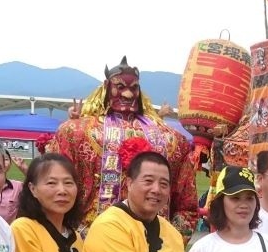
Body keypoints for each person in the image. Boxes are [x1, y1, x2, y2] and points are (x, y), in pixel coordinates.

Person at [50, 57, 199, 236]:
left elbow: (187, 207)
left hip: (153, 249)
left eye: (133, 88)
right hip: (89, 247)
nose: (127, 95)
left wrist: (167, 245)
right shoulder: (75, 133)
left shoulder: (173, 140)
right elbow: (52, 194)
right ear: (106, 87)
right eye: (120, 87)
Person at [0, 148, 25, 224]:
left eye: (5, 159)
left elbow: (37, 186)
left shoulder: (17, 186)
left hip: (9, 232)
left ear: (10, 163)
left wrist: (24, 169)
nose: (2, 162)